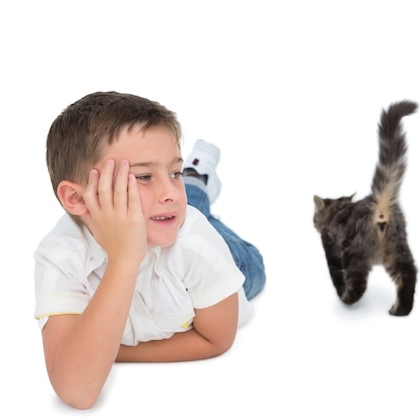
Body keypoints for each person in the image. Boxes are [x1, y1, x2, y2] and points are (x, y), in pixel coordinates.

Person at [33, 91, 266, 409]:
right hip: (166, 224)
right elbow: (76, 391)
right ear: (76, 199)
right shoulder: (60, 255)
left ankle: (196, 181)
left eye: (175, 172)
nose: (170, 191)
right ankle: (196, 185)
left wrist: (113, 351)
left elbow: (217, 338)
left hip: (229, 259)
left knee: (230, 246)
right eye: (143, 176)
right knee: (180, 205)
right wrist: (124, 259)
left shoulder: (194, 241)